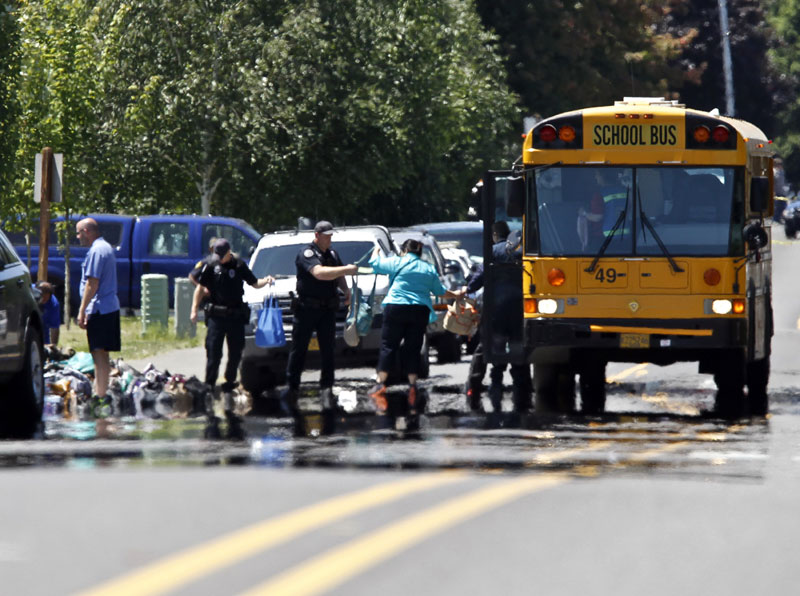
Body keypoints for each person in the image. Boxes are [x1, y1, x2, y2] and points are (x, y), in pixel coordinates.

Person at [368, 238, 464, 415]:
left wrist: (376, 251)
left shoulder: (397, 262)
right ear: (420, 253)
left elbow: (374, 264)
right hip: (418, 310)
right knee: (413, 348)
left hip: (396, 308)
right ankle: (412, 385)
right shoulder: (427, 268)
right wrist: (456, 294)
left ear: (404, 251)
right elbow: (440, 292)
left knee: (389, 345)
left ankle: (381, 384)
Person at [281, 221, 357, 415]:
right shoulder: (307, 254)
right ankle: (292, 387)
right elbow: (320, 273)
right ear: (317, 235)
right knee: (299, 349)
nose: (329, 239)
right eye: (326, 235)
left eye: (331, 235)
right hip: (307, 309)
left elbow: (337, 275)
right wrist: (346, 269)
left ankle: (326, 388)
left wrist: (346, 289)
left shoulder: (332, 254)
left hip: (327, 310)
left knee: (328, 350)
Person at [190, 238, 274, 409]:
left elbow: (254, 282)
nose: (220, 258)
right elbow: (199, 287)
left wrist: (266, 281)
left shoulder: (239, 265)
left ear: (229, 252)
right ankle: (210, 385)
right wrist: (194, 309)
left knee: (236, 352)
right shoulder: (211, 265)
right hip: (216, 316)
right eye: (218, 255)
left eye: (223, 255)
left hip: (235, 315)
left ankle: (229, 382)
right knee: (214, 352)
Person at [463, 221, 531, 414]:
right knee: (518, 346)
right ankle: (522, 390)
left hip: (496, 309)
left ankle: (487, 385)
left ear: (494, 235)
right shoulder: (522, 251)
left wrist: (468, 288)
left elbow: (477, 279)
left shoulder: (492, 252)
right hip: (519, 308)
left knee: (489, 346)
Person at [76, 217, 121, 409]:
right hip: (109, 307)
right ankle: (100, 393)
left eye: (78, 233)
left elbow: (92, 283)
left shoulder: (96, 251)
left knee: (98, 354)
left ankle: (100, 397)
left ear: (87, 231)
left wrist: (82, 309)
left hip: (100, 308)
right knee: (102, 355)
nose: (77, 237)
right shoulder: (106, 248)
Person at [578, 169, 629, 249]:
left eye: (597, 174)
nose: (595, 177)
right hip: (625, 238)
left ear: (603, 176)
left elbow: (598, 217)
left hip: (606, 240)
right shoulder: (624, 191)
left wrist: (584, 213)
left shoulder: (600, 194)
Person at [36, 281, 61, 346]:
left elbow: (54, 327)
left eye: (45, 299)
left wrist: (53, 346)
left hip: (44, 330)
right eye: (42, 298)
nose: (43, 301)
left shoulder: (54, 304)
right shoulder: (29, 292)